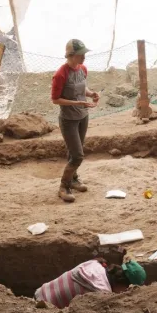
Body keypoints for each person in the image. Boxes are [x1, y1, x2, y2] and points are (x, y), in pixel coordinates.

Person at [51, 39, 100, 202]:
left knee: (73, 152)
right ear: (71, 56)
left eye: (84, 54)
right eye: (81, 54)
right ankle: (63, 186)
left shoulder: (82, 69)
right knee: (78, 155)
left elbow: (81, 88)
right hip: (68, 119)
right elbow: (56, 99)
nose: (84, 57)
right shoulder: (60, 74)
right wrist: (76, 102)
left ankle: (73, 179)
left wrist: (91, 93)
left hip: (82, 116)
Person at [34, 259, 146, 309]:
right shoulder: (101, 293)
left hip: (39, 293)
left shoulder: (95, 264)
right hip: (42, 310)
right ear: (123, 284)